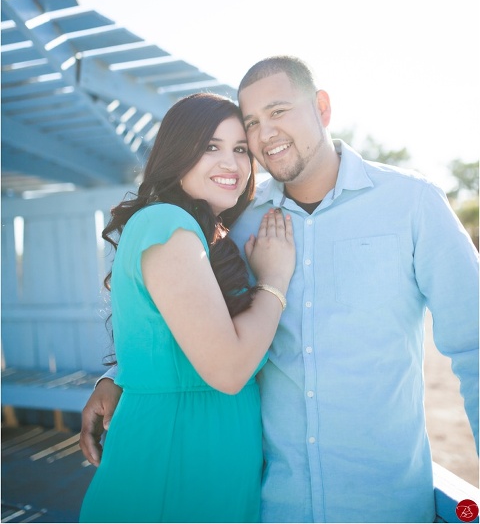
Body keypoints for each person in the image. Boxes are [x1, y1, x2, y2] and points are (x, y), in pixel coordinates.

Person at [81, 57, 479, 523]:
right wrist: (119, 375)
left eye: (278, 111)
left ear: (322, 107)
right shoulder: (232, 221)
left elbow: (474, 343)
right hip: (268, 503)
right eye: (251, 122)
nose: (264, 132)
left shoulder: (412, 203)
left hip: (382, 503)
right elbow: (181, 318)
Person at [79, 92, 295, 523]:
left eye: (240, 150)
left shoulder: (198, 231)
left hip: (204, 457)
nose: (230, 164)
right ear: (179, 152)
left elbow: (162, 340)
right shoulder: (167, 224)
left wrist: (113, 374)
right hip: (176, 460)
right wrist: (274, 280)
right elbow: (229, 371)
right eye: (210, 147)